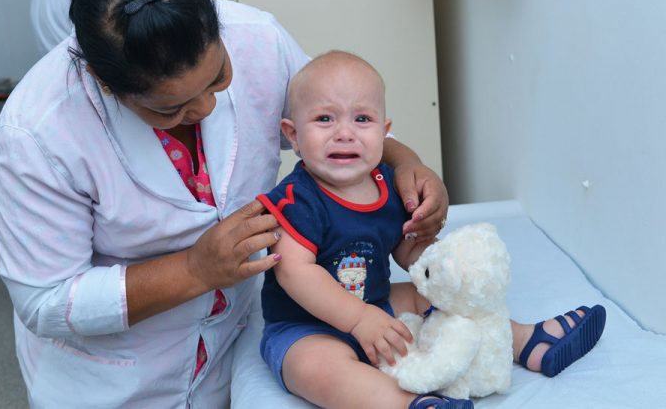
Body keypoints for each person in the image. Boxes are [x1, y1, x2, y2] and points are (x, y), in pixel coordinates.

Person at [0, 0, 448, 408]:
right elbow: (46, 300)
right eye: (169, 109)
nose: (205, 108)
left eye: (218, 78)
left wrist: (406, 160)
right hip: (115, 380)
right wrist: (193, 270)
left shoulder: (258, 40)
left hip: (233, 345)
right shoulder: (38, 127)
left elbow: (336, 113)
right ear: (105, 84)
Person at [257, 51, 607, 409]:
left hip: (377, 304)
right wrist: (358, 318)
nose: (344, 133)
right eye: (324, 119)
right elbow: (294, 272)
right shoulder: (295, 199)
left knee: (433, 294)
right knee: (320, 370)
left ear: (384, 131)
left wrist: (442, 266)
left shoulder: (389, 184)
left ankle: (523, 341)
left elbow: (407, 249)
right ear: (293, 135)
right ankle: (409, 403)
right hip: (305, 326)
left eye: (362, 119)